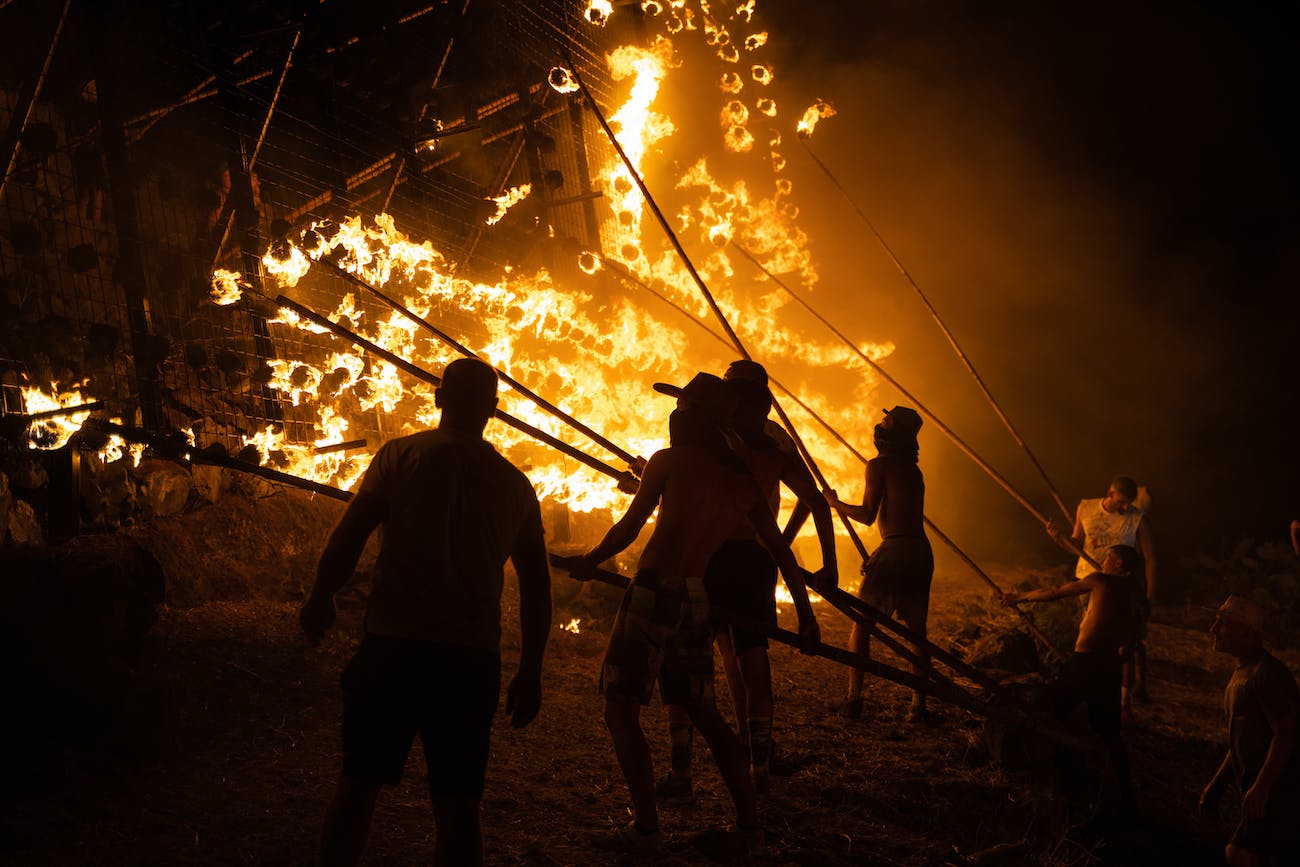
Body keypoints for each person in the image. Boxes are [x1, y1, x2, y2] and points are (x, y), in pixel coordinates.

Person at [299, 357, 552, 867]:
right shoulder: (516, 485)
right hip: (469, 659)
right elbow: (536, 587)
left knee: (357, 790)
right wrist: (530, 669)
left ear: (438, 398)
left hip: (394, 646)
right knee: (459, 809)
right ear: (494, 410)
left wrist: (322, 594)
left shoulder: (400, 457)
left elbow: (350, 537)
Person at [569, 372, 819, 852]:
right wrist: (804, 613)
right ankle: (751, 829)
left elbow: (629, 528)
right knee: (706, 712)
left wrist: (590, 561)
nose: (676, 415)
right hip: (696, 598)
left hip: (653, 593)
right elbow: (782, 555)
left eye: (683, 409)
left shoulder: (668, 461)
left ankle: (646, 831)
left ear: (693, 418)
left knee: (620, 710)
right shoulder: (741, 481)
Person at [658, 360, 838, 798]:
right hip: (759, 560)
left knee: (697, 661)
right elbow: (815, 501)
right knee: (750, 663)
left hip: (716, 557)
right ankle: (756, 769)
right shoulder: (773, 449)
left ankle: (686, 771)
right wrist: (803, 554)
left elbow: (688, 478)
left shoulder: (721, 445)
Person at [1002, 544, 1143, 815]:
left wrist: (1019, 597)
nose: (1103, 560)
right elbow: (1133, 636)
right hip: (1109, 665)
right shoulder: (1134, 592)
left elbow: (1055, 593)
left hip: (1087, 663)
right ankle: (1127, 794)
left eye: (1109, 557)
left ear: (1120, 565)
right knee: (1110, 733)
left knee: (1052, 714)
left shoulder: (1100, 581)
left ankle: (1057, 781)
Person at [826, 405, 933, 722]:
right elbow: (900, 523)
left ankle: (853, 701)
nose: (879, 424)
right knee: (917, 634)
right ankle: (918, 706)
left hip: (897, 550)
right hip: (918, 551)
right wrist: (878, 554)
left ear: (895, 432)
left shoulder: (879, 465)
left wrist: (834, 504)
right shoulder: (913, 470)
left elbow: (868, 515)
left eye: (886, 421)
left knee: (862, 624)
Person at [1198, 595, 1300, 866]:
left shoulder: (1267, 674)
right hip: (1262, 791)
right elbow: (1240, 740)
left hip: (1281, 790)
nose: (1213, 629)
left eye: (1222, 624)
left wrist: (1263, 785)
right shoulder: (1241, 675)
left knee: (1240, 854)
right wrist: (1216, 786)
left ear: (1246, 633)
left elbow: (1287, 731)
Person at [1053, 476, 1157, 715]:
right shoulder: (1086, 507)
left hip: (1122, 588)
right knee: (1090, 640)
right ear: (1110, 493)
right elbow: (1075, 543)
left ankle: (1124, 702)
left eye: (1128, 503)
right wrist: (1058, 539)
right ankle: (1091, 691)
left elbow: (1151, 559)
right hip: (1090, 581)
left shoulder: (1137, 518)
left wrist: (1150, 595)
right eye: (1121, 502)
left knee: (1124, 644)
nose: (1124, 508)